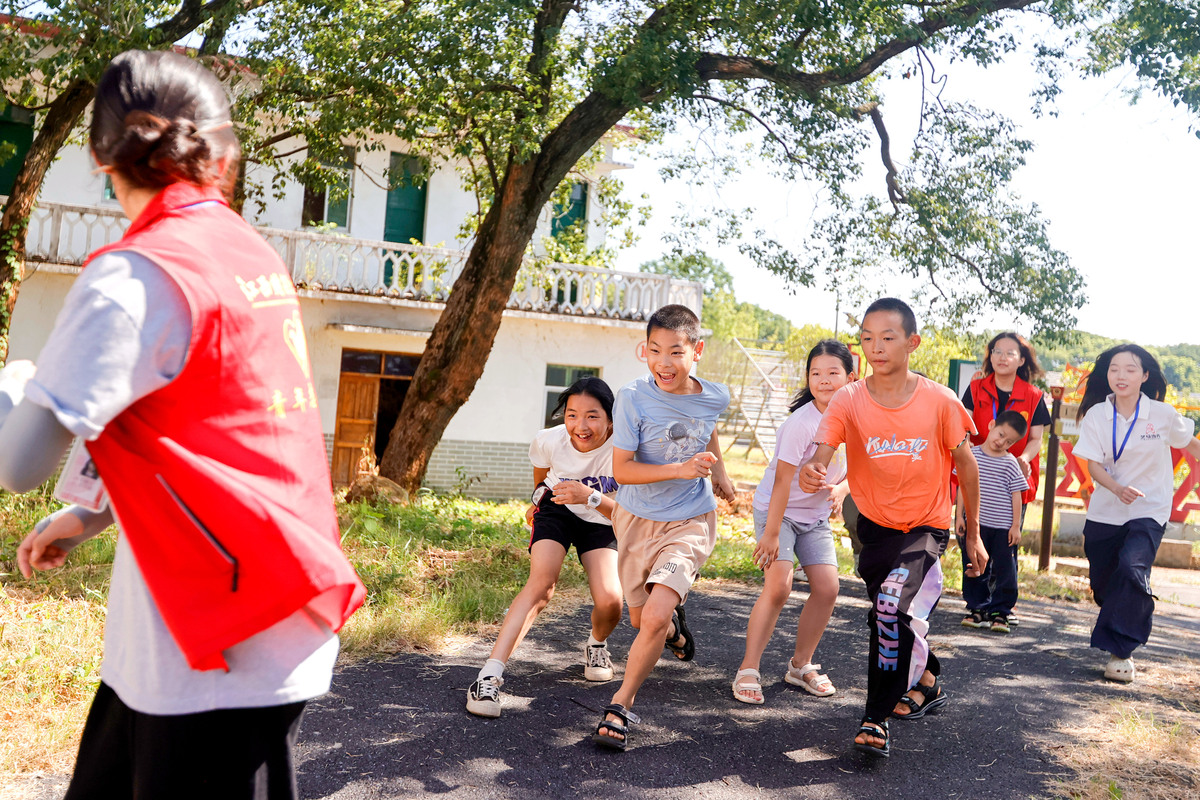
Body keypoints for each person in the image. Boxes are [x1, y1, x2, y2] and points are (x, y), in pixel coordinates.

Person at [0, 50, 365, 799]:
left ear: (100, 153)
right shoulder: (245, 253)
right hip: (240, 602)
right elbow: (197, 422)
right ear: (219, 150)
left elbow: (17, 463)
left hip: (210, 645)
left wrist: (16, 382)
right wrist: (90, 513)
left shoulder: (132, 274)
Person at [799, 297, 986, 759]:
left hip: (925, 528)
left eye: (887, 338)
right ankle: (927, 677)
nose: (876, 347)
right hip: (873, 529)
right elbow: (822, 453)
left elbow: (967, 465)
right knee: (889, 617)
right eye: (867, 338)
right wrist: (813, 470)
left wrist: (973, 532)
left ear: (912, 342)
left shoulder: (940, 401)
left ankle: (874, 718)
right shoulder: (849, 398)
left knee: (887, 608)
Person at [591, 304, 734, 751]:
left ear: (697, 351)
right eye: (654, 351)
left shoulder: (716, 395)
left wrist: (719, 473)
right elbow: (623, 471)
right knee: (643, 621)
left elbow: (706, 426)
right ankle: (674, 630)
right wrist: (681, 467)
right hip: (634, 520)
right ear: (644, 351)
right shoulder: (631, 397)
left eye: (675, 352)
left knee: (650, 616)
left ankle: (620, 705)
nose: (664, 363)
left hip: (690, 519)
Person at [466, 377, 623, 717]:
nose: (580, 426)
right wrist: (537, 501)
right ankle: (488, 676)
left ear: (611, 418)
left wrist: (591, 497)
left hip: (604, 517)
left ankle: (596, 645)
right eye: (572, 415)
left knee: (611, 600)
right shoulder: (549, 440)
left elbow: (631, 514)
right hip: (558, 509)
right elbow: (542, 477)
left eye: (592, 416)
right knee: (542, 584)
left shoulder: (626, 449)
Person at [732, 340, 854, 704]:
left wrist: (841, 490)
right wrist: (771, 534)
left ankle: (800, 665)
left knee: (828, 587)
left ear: (851, 376)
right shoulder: (802, 423)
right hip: (778, 512)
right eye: (816, 373)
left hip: (813, 518)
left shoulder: (858, 417)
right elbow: (783, 480)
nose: (824, 380)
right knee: (780, 585)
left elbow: (861, 469)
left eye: (833, 372)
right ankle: (747, 669)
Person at [1073, 344, 1200, 683]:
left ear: (1145, 376)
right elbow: (1093, 464)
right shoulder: (1098, 415)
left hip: (1149, 508)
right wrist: (1116, 489)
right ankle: (1121, 610)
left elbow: (1190, 444)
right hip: (1106, 510)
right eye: (1115, 369)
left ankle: (1121, 652)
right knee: (1104, 582)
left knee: (1132, 569)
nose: (1121, 376)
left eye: (1130, 369)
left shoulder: (1162, 414)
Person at [960, 331, 1050, 629]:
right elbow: (963, 427)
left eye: (1010, 353)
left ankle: (1000, 607)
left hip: (1010, 477)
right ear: (991, 355)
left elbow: (1037, 438)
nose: (1002, 357)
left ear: (1021, 360)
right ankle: (978, 604)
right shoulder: (975, 387)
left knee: (1004, 546)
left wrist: (1023, 459)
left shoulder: (1034, 395)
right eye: (997, 350)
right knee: (972, 539)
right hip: (977, 473)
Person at [955, 410, 1030, 634]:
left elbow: (1017, 495)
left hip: (1002, 527)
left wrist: (1015, 525)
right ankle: (977, 607)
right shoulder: (971, 455)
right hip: (976, 525)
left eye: (1009, 441)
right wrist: (959, 516)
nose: (1001, 442)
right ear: (990, 425)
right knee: (974, 565)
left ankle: (1001, 611)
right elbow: (963, 487)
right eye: (1000, 434)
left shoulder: (1010, 463)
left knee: (1006, 569)